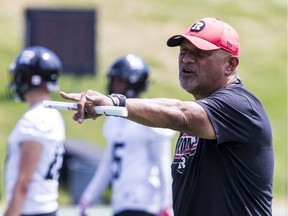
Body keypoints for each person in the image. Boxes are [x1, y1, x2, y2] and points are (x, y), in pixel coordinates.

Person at [60, 17, 274, 216]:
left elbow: (180, 112)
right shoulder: (202, 110)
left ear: (231, 65)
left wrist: (115, 102)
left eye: (200, 53)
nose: (187, 59)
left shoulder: (240, 105)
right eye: (184, 51)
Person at [77, 54, 175, 216]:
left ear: (134, 83)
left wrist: (166, 202)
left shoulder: (149, 118)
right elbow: (108, 163)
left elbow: (163, 163)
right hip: (121, 202)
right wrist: (89, 196)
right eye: (114, 81)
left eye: (121, 81)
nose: (115, 86)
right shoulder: (114, 118)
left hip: (145, 203)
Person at [5, 46, 66, 216]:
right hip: (46, 207)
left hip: (30, 210)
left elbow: (24, 182)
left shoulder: (35, 119)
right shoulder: (53, 115)